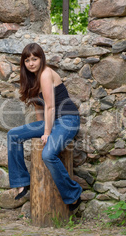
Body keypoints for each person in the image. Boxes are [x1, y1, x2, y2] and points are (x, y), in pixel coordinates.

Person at [7, 43, 82, 211]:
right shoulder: (31, 79)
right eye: (27, 60)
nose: (31, 63)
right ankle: (21, 182)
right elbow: (39, 109)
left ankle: (73, 194)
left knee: (48, 154)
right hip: (50, 121)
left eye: (35, 59)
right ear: (23, 63)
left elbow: (50, 106)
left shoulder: (46, 74)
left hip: (67, 119)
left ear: (41, 59)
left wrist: (47, 133)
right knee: (13, 135)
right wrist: (42, 128)